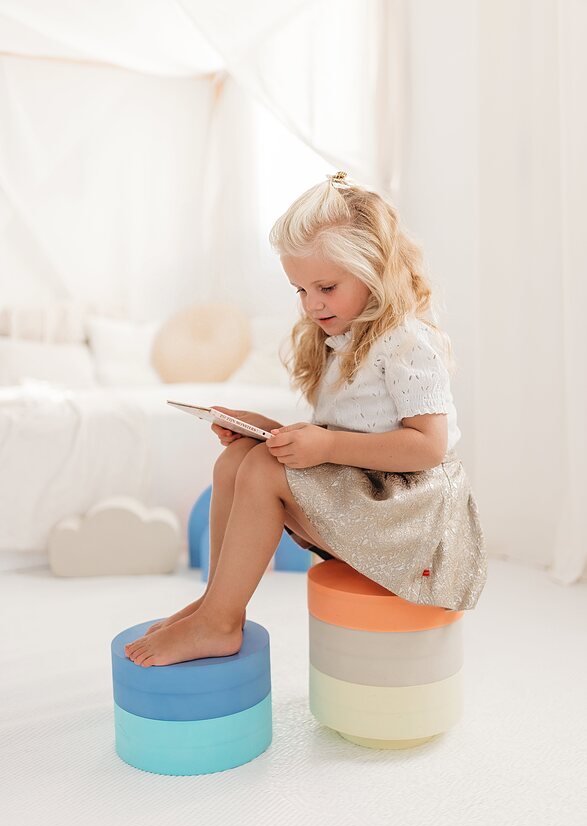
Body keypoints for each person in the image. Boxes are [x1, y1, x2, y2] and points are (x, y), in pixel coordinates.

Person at [124, 171, 487, 668]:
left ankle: (220, 624)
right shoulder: (341, 339)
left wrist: (327, 446)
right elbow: (346, 435)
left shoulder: (407, 342)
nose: (312, 303)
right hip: (371, 494)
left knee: (261, 469)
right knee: (239, 458)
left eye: (326, 287)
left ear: (374, 271)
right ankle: (216, 604)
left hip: (415, 519)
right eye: (300, 289)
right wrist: (265, 430)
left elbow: (427, 447)